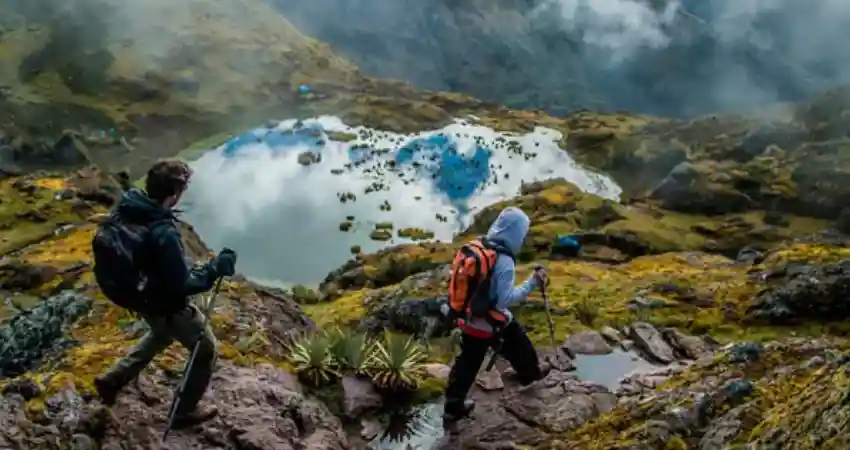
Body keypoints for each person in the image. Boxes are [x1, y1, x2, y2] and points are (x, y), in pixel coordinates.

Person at [92, 159, 237, 429]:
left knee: (161, 334)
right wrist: (216, 269)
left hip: (136, 293)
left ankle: (112, 380)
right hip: (162, 301)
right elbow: (182, 284)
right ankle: (183, 412)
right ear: (175, 192)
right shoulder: (163, 231)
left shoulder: (131, 206)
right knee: (205, 350)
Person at [442, 206, 548, 425]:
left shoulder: (480, 245)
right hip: (488, 322)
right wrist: (532, 284)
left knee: (466, 363)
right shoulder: (505, 261)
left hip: (467, 315)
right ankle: (530, 375)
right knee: (518, 342)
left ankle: (452, 408)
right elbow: (504, 301)